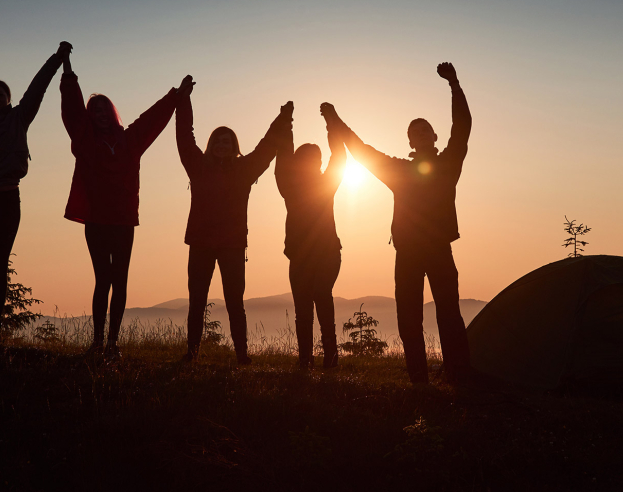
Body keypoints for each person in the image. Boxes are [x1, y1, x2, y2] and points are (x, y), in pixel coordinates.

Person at [322, 62, 472, 383]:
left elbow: (463, 126)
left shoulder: (448, 164)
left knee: (448, 314)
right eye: (412, 131)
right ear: (410, 141)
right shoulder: (400, 172)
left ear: (434, 136)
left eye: (424, 129)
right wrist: (335, 120)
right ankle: (418, 379)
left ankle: (459, 376)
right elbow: (362, 151)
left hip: (439, 249)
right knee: (408, 318)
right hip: (407, 253)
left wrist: (454, 86)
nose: (419, 133)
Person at [60, 51, 191, 359]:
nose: (101, 114)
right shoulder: (84, 142)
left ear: (113, 112)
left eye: (105, 109)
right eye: (95, 110)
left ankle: (112, 344)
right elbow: (71, 109)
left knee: (119, 280)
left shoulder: (130, 140)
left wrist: (176, 96)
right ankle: (96, 342)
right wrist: (67, 70)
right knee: (102, 279)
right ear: (90, 115)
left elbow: (151, 119)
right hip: (95, 219)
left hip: (123, 221)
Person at [175, 82, 291, 365]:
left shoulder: (244, 169)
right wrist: (183, 100)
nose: (221, 145)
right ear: (210, 145)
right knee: (197, 302)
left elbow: (266, 148)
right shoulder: (197, 166)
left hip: (232, 244)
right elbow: (183, 136)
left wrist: (283, 118)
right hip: (201, 242)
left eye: (226, 142)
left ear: (234, 147)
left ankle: (242, 355)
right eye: (217, 141)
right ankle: (192, 354)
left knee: (235, 303)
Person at [0, 42, 71, 342]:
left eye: (0, 95)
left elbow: (38, 88)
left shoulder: (19, 118)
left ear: (8, 99)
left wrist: (56, 60)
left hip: (7, 199)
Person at [275, 102, 346, 369]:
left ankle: (330, 356)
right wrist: (287, 122)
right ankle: (306, 358)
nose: (313, 164)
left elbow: (338, 156)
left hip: (327, 254)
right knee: (303, 307)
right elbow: (283, 157)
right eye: (308, 160)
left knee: (320, 294)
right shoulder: (289, 188)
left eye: (315, 160)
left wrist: (331, 121)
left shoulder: (325, 184)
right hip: (301, 257)